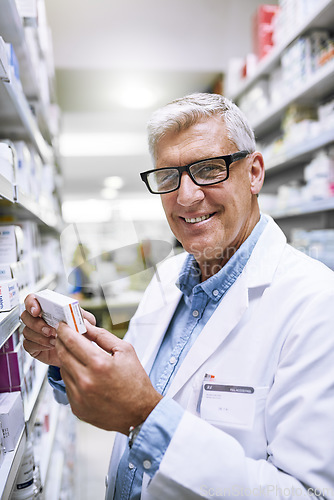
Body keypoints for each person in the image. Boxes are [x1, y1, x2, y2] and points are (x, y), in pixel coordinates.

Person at [21, 93, 334, 500]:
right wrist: (72, 356)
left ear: (254, 172)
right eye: (168, 176)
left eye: (208, 169)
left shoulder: (316, 303)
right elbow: (130, 386)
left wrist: (146, 417)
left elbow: (309, 494)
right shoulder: (167, 278)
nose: (185, 197)